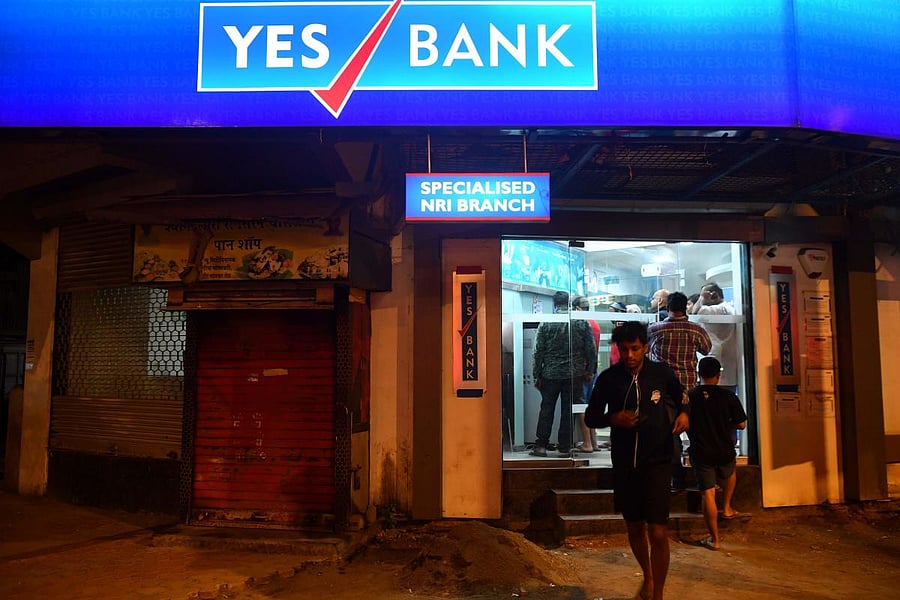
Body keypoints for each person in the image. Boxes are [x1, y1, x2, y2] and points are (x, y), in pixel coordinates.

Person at [584, 321, 688, 600]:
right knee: (634, 526)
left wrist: (684, 414)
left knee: (657, 529)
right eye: (624, 349)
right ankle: (648, 577)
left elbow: (682, 399)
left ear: (645, 347)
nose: (629, 355)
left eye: (635, 349)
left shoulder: (661, 374)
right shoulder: (608, 379)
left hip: (658, 460)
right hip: (625, 464)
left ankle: (658, 594)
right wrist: (612, 418)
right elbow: (591, 417)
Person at [648, 291, 712, 488]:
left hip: (665, 389)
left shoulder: (655, 329)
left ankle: (678, 478)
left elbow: (646, 350)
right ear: (686, 308)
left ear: (667, 308)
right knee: (697, 432)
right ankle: (704, 474)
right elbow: (706, 349)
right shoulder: (696, 329)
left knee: (671, 433)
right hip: (690, 387)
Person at [687, 356, 748, 551]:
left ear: (699, 374)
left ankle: (715, 540)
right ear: (718, 375)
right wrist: (724, 424)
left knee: (708, 494)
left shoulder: (691, 396)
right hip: (724, 449)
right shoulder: (728, 396)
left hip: (701, 451)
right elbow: (742, 424)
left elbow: (682, 423)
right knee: (730, 473)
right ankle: (728, 507)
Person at [531, 291, 597, 458]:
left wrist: (536, 375)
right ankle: (564, 447)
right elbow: (591, 349)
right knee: (568, 410)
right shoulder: (581, 321)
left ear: (554, 304)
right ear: (568, 304)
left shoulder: (547, 321)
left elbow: (538, 351)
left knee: (547, 408)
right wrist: (591, 370)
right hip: (574, 374)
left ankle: (541, 446)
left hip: (550, 374)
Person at [689, 282, 737, 392]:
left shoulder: (713, 310)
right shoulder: (729, 308)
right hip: (728, 368)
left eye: (703, 295)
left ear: (714, 295)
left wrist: (702, 299)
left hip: (713, 368)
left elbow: (694, 313)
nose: (701, 298)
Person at [573, 295, 601, 453]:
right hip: (592, 370)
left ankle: (587, 443)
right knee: (590, 405)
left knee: (581, 406)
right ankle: (594, 442)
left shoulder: (581, 324)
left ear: (577, 308)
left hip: (582, 371)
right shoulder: (595, 324)